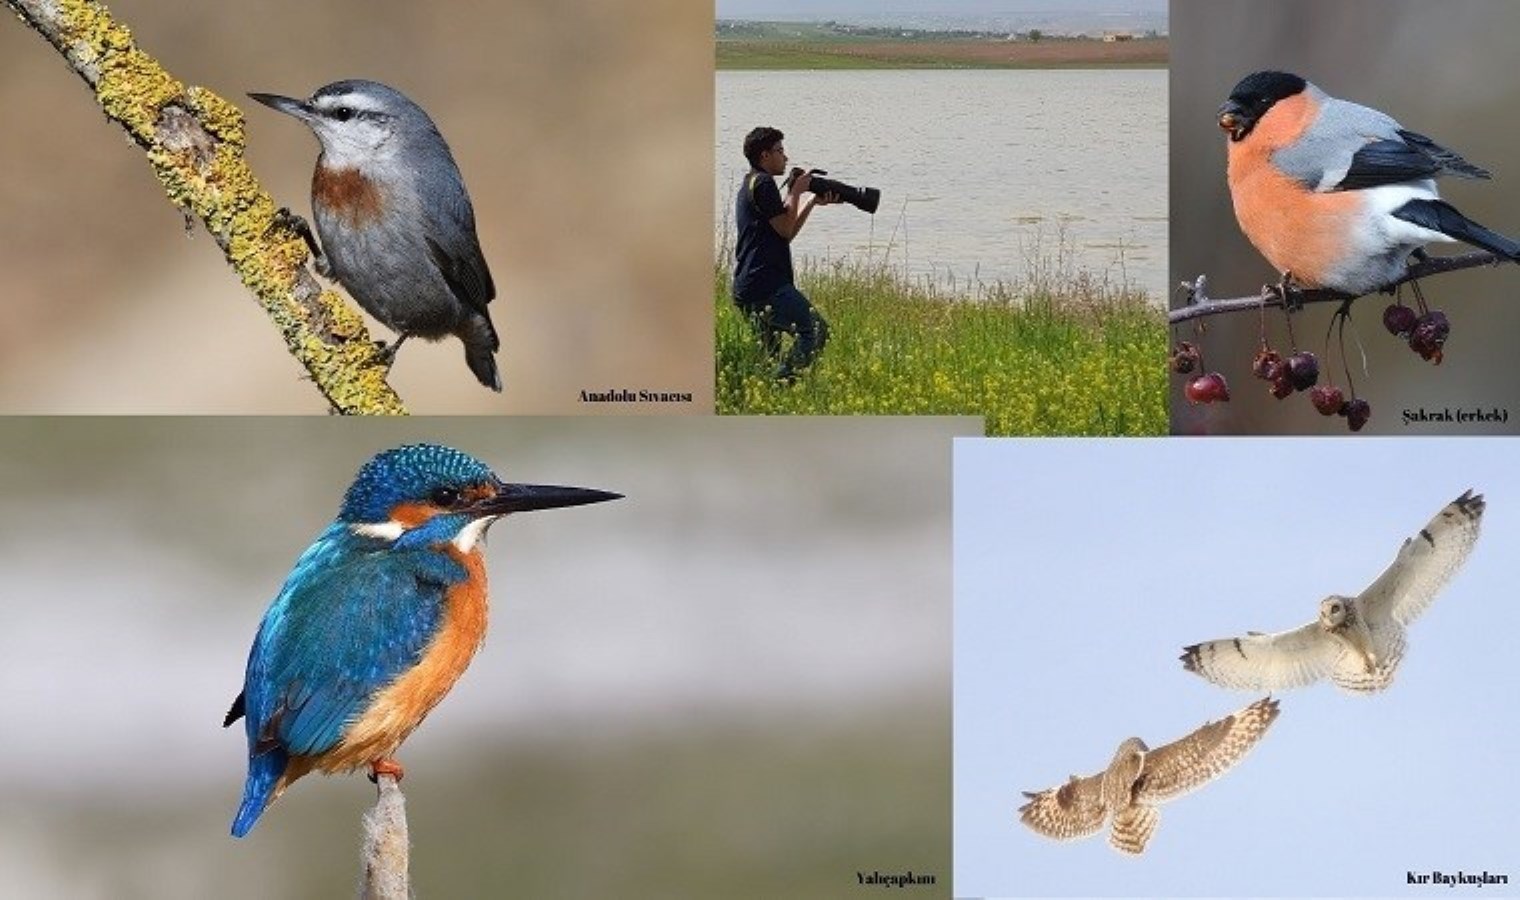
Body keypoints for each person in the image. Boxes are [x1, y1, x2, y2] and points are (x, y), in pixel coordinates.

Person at [732, 126, 838, 382]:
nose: (785, 157)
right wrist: (795, 192)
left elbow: (785, 233)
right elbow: (784, 227)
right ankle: (783, 385)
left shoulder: (752, 183)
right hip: (766, 283)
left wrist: (810, 202)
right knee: (815, 330)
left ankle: (772, 390)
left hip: (748, 287)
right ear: (764, 156)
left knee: (771, 357)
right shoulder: (765, 183)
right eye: (779, 151)